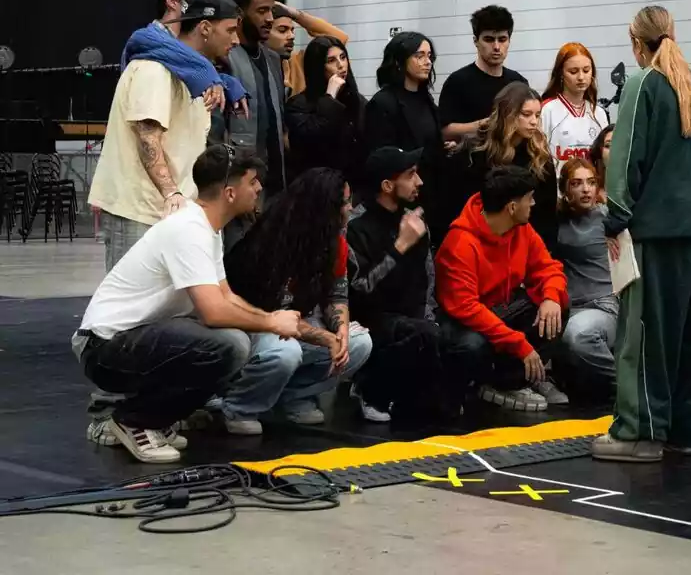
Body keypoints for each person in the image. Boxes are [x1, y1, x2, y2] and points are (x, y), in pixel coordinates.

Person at [74, 145, 301, 463]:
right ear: (230, 192)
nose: (260, 188)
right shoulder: (188, 229)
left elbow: (227, 296)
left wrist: (270, 317)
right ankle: (134, 421)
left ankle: (149, 419)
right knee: (230, 344)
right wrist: (272, 323)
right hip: (101, 349)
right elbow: (213, 311)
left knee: (237, 339)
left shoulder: (208, 230)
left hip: (130, 341)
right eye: (252, 182)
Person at [591, 5, 691, 463]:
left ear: (636, 42)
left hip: (659, 237)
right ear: (672, 34)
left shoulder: (641, 85)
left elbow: (626, 159)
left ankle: (640, 433)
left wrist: (615, 219)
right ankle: (688, 431)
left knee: (647, 336)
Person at [91, 0, 244, 271]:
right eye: (231, 30)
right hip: (140, 211)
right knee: (132, 306)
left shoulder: (196, 75)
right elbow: (147, 136)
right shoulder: (154, 70)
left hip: (174, 210)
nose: (236, 40)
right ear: (205, 28)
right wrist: (171, 193)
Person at [217, 168, 373, 434]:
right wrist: (326, 338)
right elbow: (271, 317)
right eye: (344, 203)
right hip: (255, 324)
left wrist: (341, 330)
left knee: (359, 344)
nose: (350, 208)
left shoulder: (334, 242)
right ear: (324, 207)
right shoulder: (271, 243)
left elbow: (337, 294)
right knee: (286, 352)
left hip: (299, 323)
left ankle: (289, 397)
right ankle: (239, 406)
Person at [435, 166, 569, 411]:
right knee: (471, 345)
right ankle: (470, 386)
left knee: (557, 307)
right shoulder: (461, 243)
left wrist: (551, 297)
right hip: (461, 322)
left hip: (499, 310)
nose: (534, 203)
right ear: (512, 207)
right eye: (529, 198)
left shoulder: (521, 229)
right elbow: (467, 308)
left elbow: (548, 268)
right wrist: (520, 344)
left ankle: (512, 381)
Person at [346, 147, 448, 422]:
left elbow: (427, 276)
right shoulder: (356, 225)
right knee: (420, 335)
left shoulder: (414, 218)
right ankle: (368, 387)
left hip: (411, 316)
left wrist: (429, 318)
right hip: (368, 320)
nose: (420, 182)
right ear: (387, 185)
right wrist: (400, 246)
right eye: (411, 175)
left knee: (448, 342)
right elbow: (360, 290)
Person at [434, 82, 558, 248]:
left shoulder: (539, 155)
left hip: (527, 243)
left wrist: (547, 248)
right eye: (526, 114)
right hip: (480, 241)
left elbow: (548, 210)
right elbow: (457, 203)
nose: (534, 122)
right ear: (508, 114)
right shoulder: (476, 151)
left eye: (537, 115)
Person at [212, 0, 288, 198]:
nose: (269, 19)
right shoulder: (224, 57)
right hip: (238, 180)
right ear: (240, 15)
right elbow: (215, 130)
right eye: (262, 11)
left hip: (274, 181)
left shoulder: (273, 59)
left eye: (272, 11)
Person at [556, 159, 619, 400]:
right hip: (567, 306)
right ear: (565, 189)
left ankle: (629, 389)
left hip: (604, 305)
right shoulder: (556, 219)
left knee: (578, 335)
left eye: (591, 183)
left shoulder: (608, 217)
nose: (586, 189)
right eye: (577, 183)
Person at [284, 36, 365, 186]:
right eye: (331, 61)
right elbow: (314, 137)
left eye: (343, 57)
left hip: (353, 186)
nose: (341, 65)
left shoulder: (357, 100)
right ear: (317, 67)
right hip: (316, 188)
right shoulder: (298, 105)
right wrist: (330, 96)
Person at [438, 5, 527, 143]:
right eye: (489, 39)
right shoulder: (458, 82)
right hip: (472, 161)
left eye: (502, 39)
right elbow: (444, 131)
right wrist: (483, 126)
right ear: (476, 41)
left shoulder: (518, 82)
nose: (497, 47)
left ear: (509, 41)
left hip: (512, 160)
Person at [363, 31, 443, 157]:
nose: (428, 62)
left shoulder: (426, 98)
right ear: (398, 61)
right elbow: (380, 155)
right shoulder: (383, 102)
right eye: (419, 56)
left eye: (429, 56)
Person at [541, 42, 609, 179]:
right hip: (558, 195)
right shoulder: (547, 110)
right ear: (561, 73)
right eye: (573, 71)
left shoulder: (599, 113)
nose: (581, 77)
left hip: (591, 195)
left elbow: (605, 160)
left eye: (586, 70)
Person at [266, 1, 350, 97]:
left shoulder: (299, 62)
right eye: (282, 30)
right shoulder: (252, 64)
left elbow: (339, 40)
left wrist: (296, 14)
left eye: (292, 30)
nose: (292, 36)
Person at [588, 124, 615, 203]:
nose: (614, 150)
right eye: (608, 145)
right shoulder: (588, 190)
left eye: (620, 145)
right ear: (600, 151)